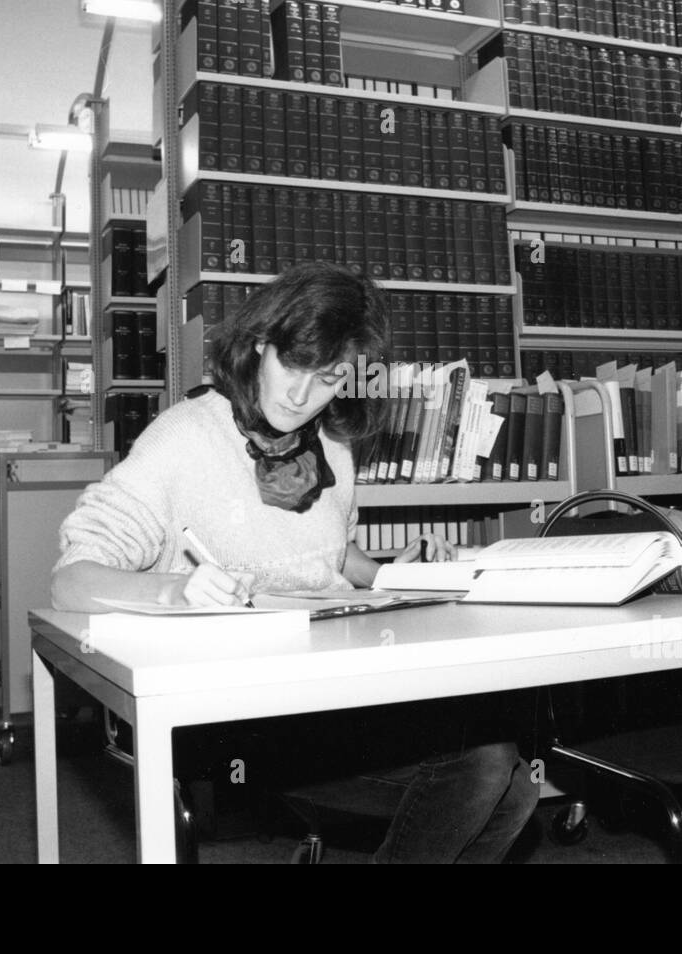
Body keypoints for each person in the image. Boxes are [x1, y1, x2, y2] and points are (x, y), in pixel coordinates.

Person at [51, 261, 538, 863]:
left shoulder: (333, 442)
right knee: (486, 769)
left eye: (330, 378)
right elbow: (71, 579)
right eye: (293, 366)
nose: (303, 397)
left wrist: (392, 573)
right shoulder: (183, 439)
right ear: (262, 342)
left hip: (330, 695)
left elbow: (323, 555)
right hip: (237, 715)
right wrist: (176, 591)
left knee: (515, 784)